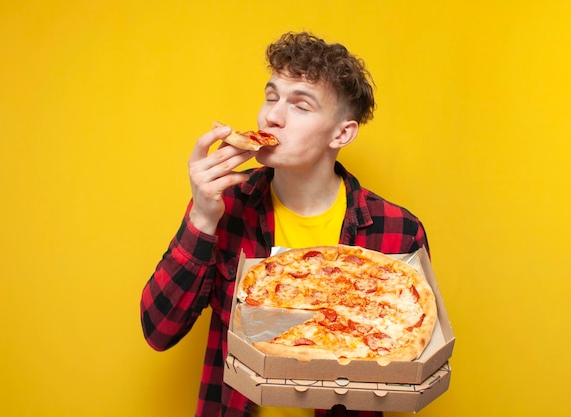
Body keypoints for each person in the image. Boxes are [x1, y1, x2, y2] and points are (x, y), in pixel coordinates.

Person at [140, 32, 429, 417]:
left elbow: (403, 367)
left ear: (341, 133)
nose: (271, 116)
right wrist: (201, 219)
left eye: (301, 105)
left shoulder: (397, 230)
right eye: (272, 96)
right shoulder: (222, 208)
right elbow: (158, 331)